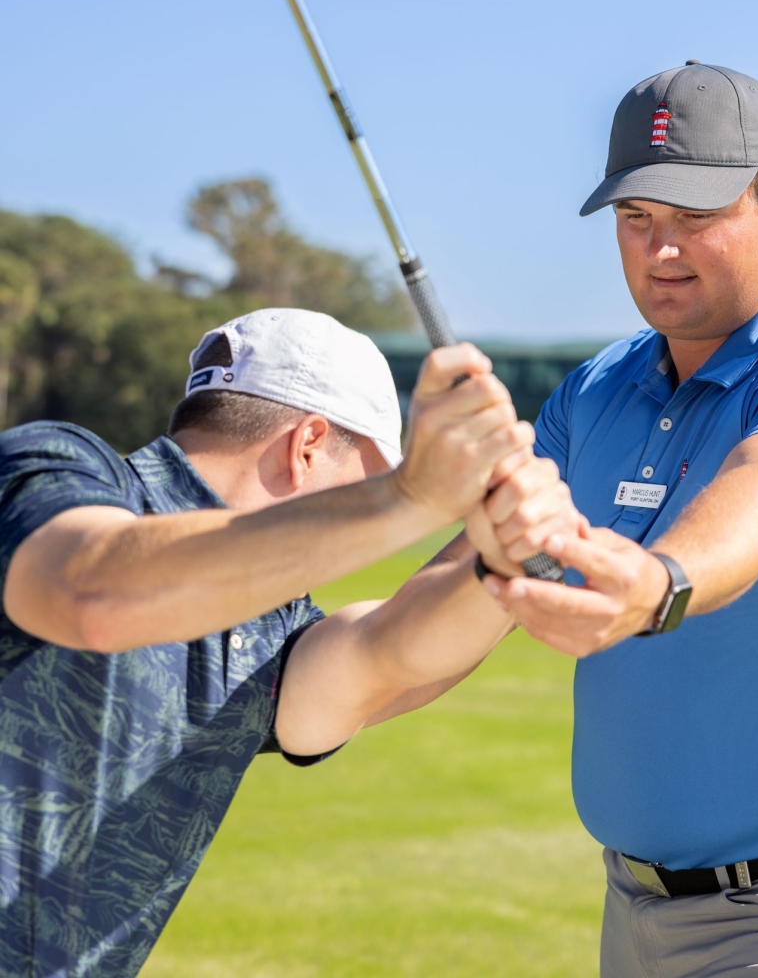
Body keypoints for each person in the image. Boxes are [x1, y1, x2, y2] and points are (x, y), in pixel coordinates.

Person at [468, 63, 758, 976]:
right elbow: (475, 570)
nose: (660, 252)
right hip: (634, 906)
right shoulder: (598, 387)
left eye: (695, 218)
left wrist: (657, 582)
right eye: (636, 219)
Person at [0, 306, 574, 978]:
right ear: (307, 445)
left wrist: (503, 558)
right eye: (367, 479)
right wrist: (407, 498)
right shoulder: (51, 468)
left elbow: (387, 656)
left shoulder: (270, 629)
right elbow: (91, 592)